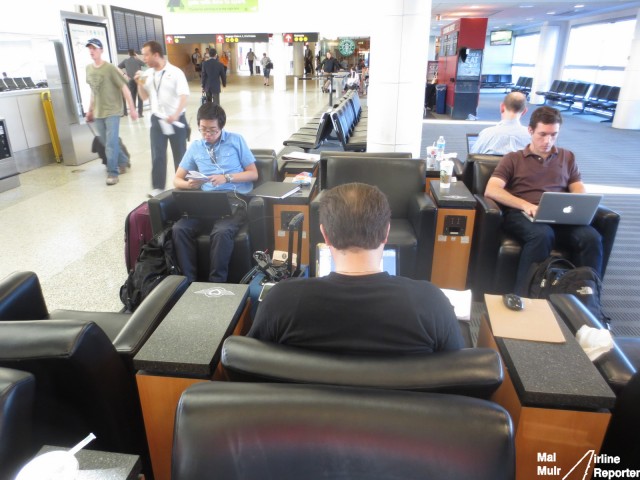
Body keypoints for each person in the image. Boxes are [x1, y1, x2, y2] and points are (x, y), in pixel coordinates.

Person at [247, 182, 464, 354]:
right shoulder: (431, 302)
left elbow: (248, 364)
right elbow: (458, 375)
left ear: (325, 235)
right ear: (387, 232)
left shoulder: (281, 300)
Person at [484, 106, 603, 296]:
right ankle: (525, 296)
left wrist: (576, 203)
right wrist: (526, 205)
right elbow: (492, 189)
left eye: (553, 135)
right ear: (530, 131)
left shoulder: (567, 157)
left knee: (591, 237)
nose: (548, 141)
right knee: (542, 235)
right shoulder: (513, 159)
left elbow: (577, 187)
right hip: (523, 214)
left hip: (560, 217)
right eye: (542, 134)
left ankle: (587, 297)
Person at [172, 103, 258, 283]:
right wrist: (189, 185)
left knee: (222, 231)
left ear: (221, 127)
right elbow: (176, 179)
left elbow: (253, 173)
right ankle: (188, 282)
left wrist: (226, 177)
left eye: (212, 130)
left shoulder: (236, 140)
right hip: (206, 200)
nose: (207, 135)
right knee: (179, 228)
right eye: (203, 130)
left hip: (233, 199)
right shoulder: (195, 147)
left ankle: (215, 284)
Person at [135, 40, 190, 198]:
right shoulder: (147, 74)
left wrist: (176, 114)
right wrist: (139, 84)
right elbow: (144, 97)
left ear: (156, 54)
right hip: (157, 120)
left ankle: (183, 185)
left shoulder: (175, 72)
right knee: (157, 153)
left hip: (176, 120)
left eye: (146, 54)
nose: (143, 58)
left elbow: (183, 96)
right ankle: (158, 187)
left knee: (180, 154)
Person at [85, 38, 137, 186]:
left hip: (113, 111)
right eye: (90, 48)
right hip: (98, 112)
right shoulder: (88, 69)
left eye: (94, 48)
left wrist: (131, 108)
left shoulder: (110, 68)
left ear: (101, 50)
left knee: (111, 144)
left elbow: (124, 88)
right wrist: (90, 111)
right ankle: (124, 161)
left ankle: (113, 173)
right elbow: (93, 92)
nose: (92, 51)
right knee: (106, 141)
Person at [118, 49, 145, 118]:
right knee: (140, 97)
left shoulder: (125, 61)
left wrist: (124, 75)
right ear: (134, 53)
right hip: (140, 79)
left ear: (128, 54)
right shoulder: (137, 60)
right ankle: (140, 114)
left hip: (131, 80)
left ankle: (133, 112)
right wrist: (138, 57)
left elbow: (118, 67)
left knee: (132, 97)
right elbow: (145, 64)